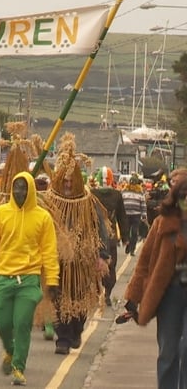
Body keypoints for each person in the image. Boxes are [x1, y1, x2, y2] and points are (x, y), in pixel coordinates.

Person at [0, 172, 59, 386]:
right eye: (16, 188)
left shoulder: (43, 217)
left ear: (30, 191)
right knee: (2, 323)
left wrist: (53, 280)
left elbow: (50, 252)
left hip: (29, 281)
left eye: (24, 188)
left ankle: (18, 368)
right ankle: (10, 352)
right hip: (4, 278)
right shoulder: (1, 213)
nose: (19, 192)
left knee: (21, 324)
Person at [40, 133, 108, 355]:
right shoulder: (50, 200)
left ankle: (76, 330)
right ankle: (63, 338)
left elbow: (100, 228)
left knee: (78, 297)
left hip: (80, 261)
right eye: (65, 181)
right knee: (57, 296)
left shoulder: (88, 201)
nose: (68, 185)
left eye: (71, 181)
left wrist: (101, 255)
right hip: (56, 258)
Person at [123, 179, 187, 389]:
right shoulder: (162, 223)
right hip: (171, 293)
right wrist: (133, 297)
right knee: (168, 350)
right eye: (184, 195)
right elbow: (145, 261)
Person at [91, 166, 129, 307]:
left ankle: (96, 293)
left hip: (95, 237)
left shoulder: (92, 194)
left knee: (93, 266)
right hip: (111, 236)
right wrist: (125, 237)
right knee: (111, 266)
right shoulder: (117, 195)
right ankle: (107, 293)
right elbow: (122, 217)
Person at [122, 174, 146, 256]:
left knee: (135, 232)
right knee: (127, 231)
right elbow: (121, 202)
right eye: (131, 183)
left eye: (134, 183)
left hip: (136, 215)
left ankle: (132, 249)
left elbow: (143, 204)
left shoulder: (140, 192)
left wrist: (144, 215)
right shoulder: (124, 191)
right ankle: (128, 244)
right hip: (126, 215)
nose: (132, 185)